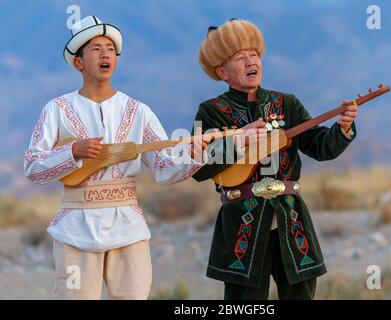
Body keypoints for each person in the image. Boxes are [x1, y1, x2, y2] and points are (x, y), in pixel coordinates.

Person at [24, 16, 208, 300]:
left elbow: (163, 167)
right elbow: (32, 165)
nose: (105, 54)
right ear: (79, 62)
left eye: (110, 48)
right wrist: (72, 152)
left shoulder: (138, 111)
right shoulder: (56, 109)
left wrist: (196, 156)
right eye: (96, 48)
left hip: (129, 228)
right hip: (75, 227)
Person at [192, 19, 357, 299]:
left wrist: (342, 129)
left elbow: (320, 147)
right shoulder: (210, 111)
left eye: (253, 54)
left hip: (291, 219)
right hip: (240, 223)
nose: (249, 61)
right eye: (239, 57)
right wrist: (238, 140)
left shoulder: (287, 103)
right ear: (222, 71)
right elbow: (199, 166)